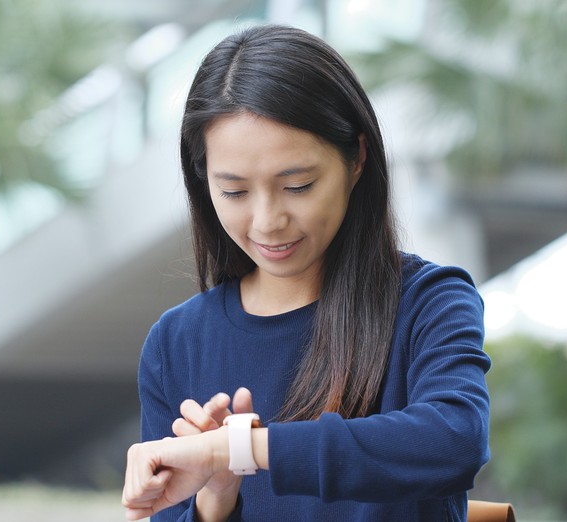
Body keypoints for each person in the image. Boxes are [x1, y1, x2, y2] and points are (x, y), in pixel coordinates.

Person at [122, 24, 491, 522]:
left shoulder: (427, 301)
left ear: (357, 158)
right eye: (234, 192)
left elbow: (453, 438)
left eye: (297, 185)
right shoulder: (177, 342)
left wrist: (241, 449)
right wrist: (215, 496)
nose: (268, 220)